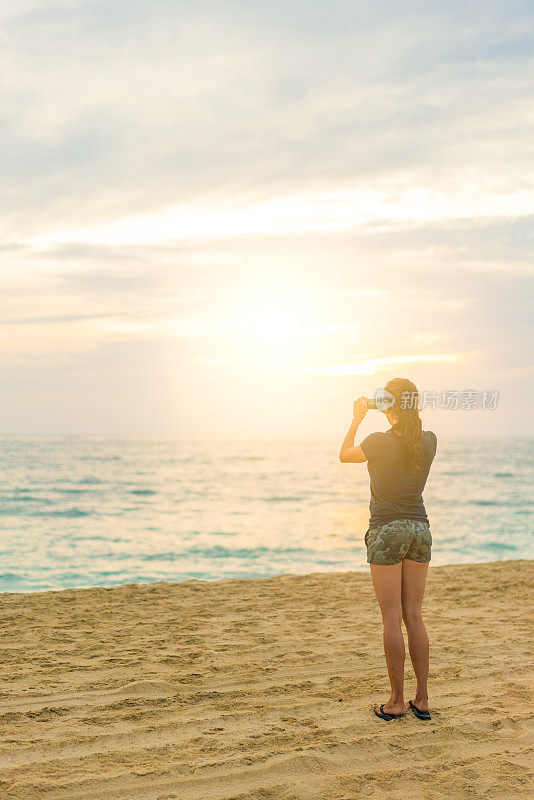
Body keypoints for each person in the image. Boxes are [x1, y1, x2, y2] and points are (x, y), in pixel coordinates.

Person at [339, 377, 437, 722]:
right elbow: (407, 431)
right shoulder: (429, 441)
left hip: (387, 530)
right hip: (420, 529)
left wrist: (356, 417)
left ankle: (396, 702)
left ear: (390, 406)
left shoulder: (378, 441)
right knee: (414, 615)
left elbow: (344, 455)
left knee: (391, 617)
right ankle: (422, 700)